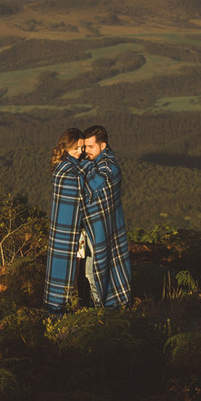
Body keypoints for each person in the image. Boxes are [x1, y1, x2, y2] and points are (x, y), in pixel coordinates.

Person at [79, 125, 132, 309]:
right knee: (90, 271)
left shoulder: (109, 169)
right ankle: (98, 306)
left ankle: (101, 309)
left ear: (103, 146)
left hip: (103, 228)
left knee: (95, 271)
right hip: (91, 228)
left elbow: (88, 189)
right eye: (84, 147)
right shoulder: (91, 164)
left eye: (90, 147)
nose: (86, 151)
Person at [44, 128, 87, 314]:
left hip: (62, 231)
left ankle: (63, 307)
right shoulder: (71, 172)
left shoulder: (62, 167)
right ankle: (67, 310)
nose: (80, 152)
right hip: (71, 231)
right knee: (73, 272)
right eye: (76, 148)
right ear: (66, 147)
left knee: (67, 272)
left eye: (82, 148)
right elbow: (81, 202)